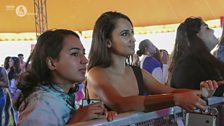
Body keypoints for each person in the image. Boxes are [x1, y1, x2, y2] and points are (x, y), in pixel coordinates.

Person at [86, 11, 218, 113]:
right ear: (107, 41)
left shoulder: (137, 72)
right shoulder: (96, 73)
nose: (133, 39)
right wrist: (176, 99)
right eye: (125, 34)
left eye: (132, 33)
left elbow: (169, 91)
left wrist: (200, 93)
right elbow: (120, 103)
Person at [15, 29, 116, 126]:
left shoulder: (61, 98)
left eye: (83, 53)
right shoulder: (40, 105)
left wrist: (99, 119)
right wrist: (77, 121)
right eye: (74, 54)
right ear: (52, 63)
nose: (85, 60)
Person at [169, 17, 224, 96]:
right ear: (195, 35)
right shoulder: (188, 65)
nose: (213, 30)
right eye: (207, 28)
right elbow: (204, 92)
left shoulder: (195, 61)